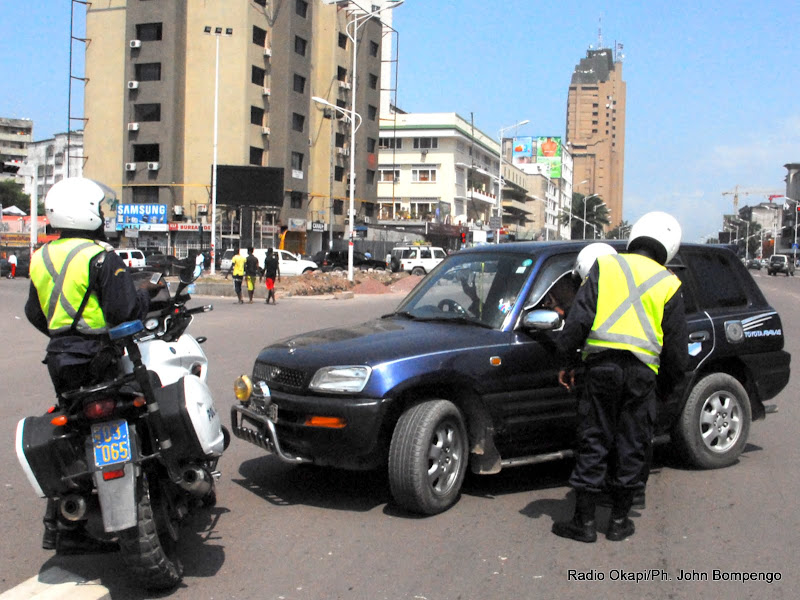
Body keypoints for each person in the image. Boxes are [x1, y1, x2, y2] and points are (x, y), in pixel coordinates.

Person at [24, 177, 162, 554]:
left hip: (60, 359)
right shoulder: (100, 256)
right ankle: (166, 473)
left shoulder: (40, 257)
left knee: (74, 426)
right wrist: (145, 298)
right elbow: (123, 312)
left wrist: (62, 333)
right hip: (99, 355)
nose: (103, 216)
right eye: (99, 209)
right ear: (85, 212)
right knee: (138, 409)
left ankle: (58, 522)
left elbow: (34, 312)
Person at [551, 213, 687, 543]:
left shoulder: (606, 265)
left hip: (600, 371)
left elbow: (578, 322)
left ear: (634, 235)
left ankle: (583, 523)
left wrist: (567, 361)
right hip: (642, 377)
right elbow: (676, 351)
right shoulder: (670, 283)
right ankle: (618, 522)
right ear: (668, 248)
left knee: (594, 440)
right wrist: (664, 389)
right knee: (632, 444)